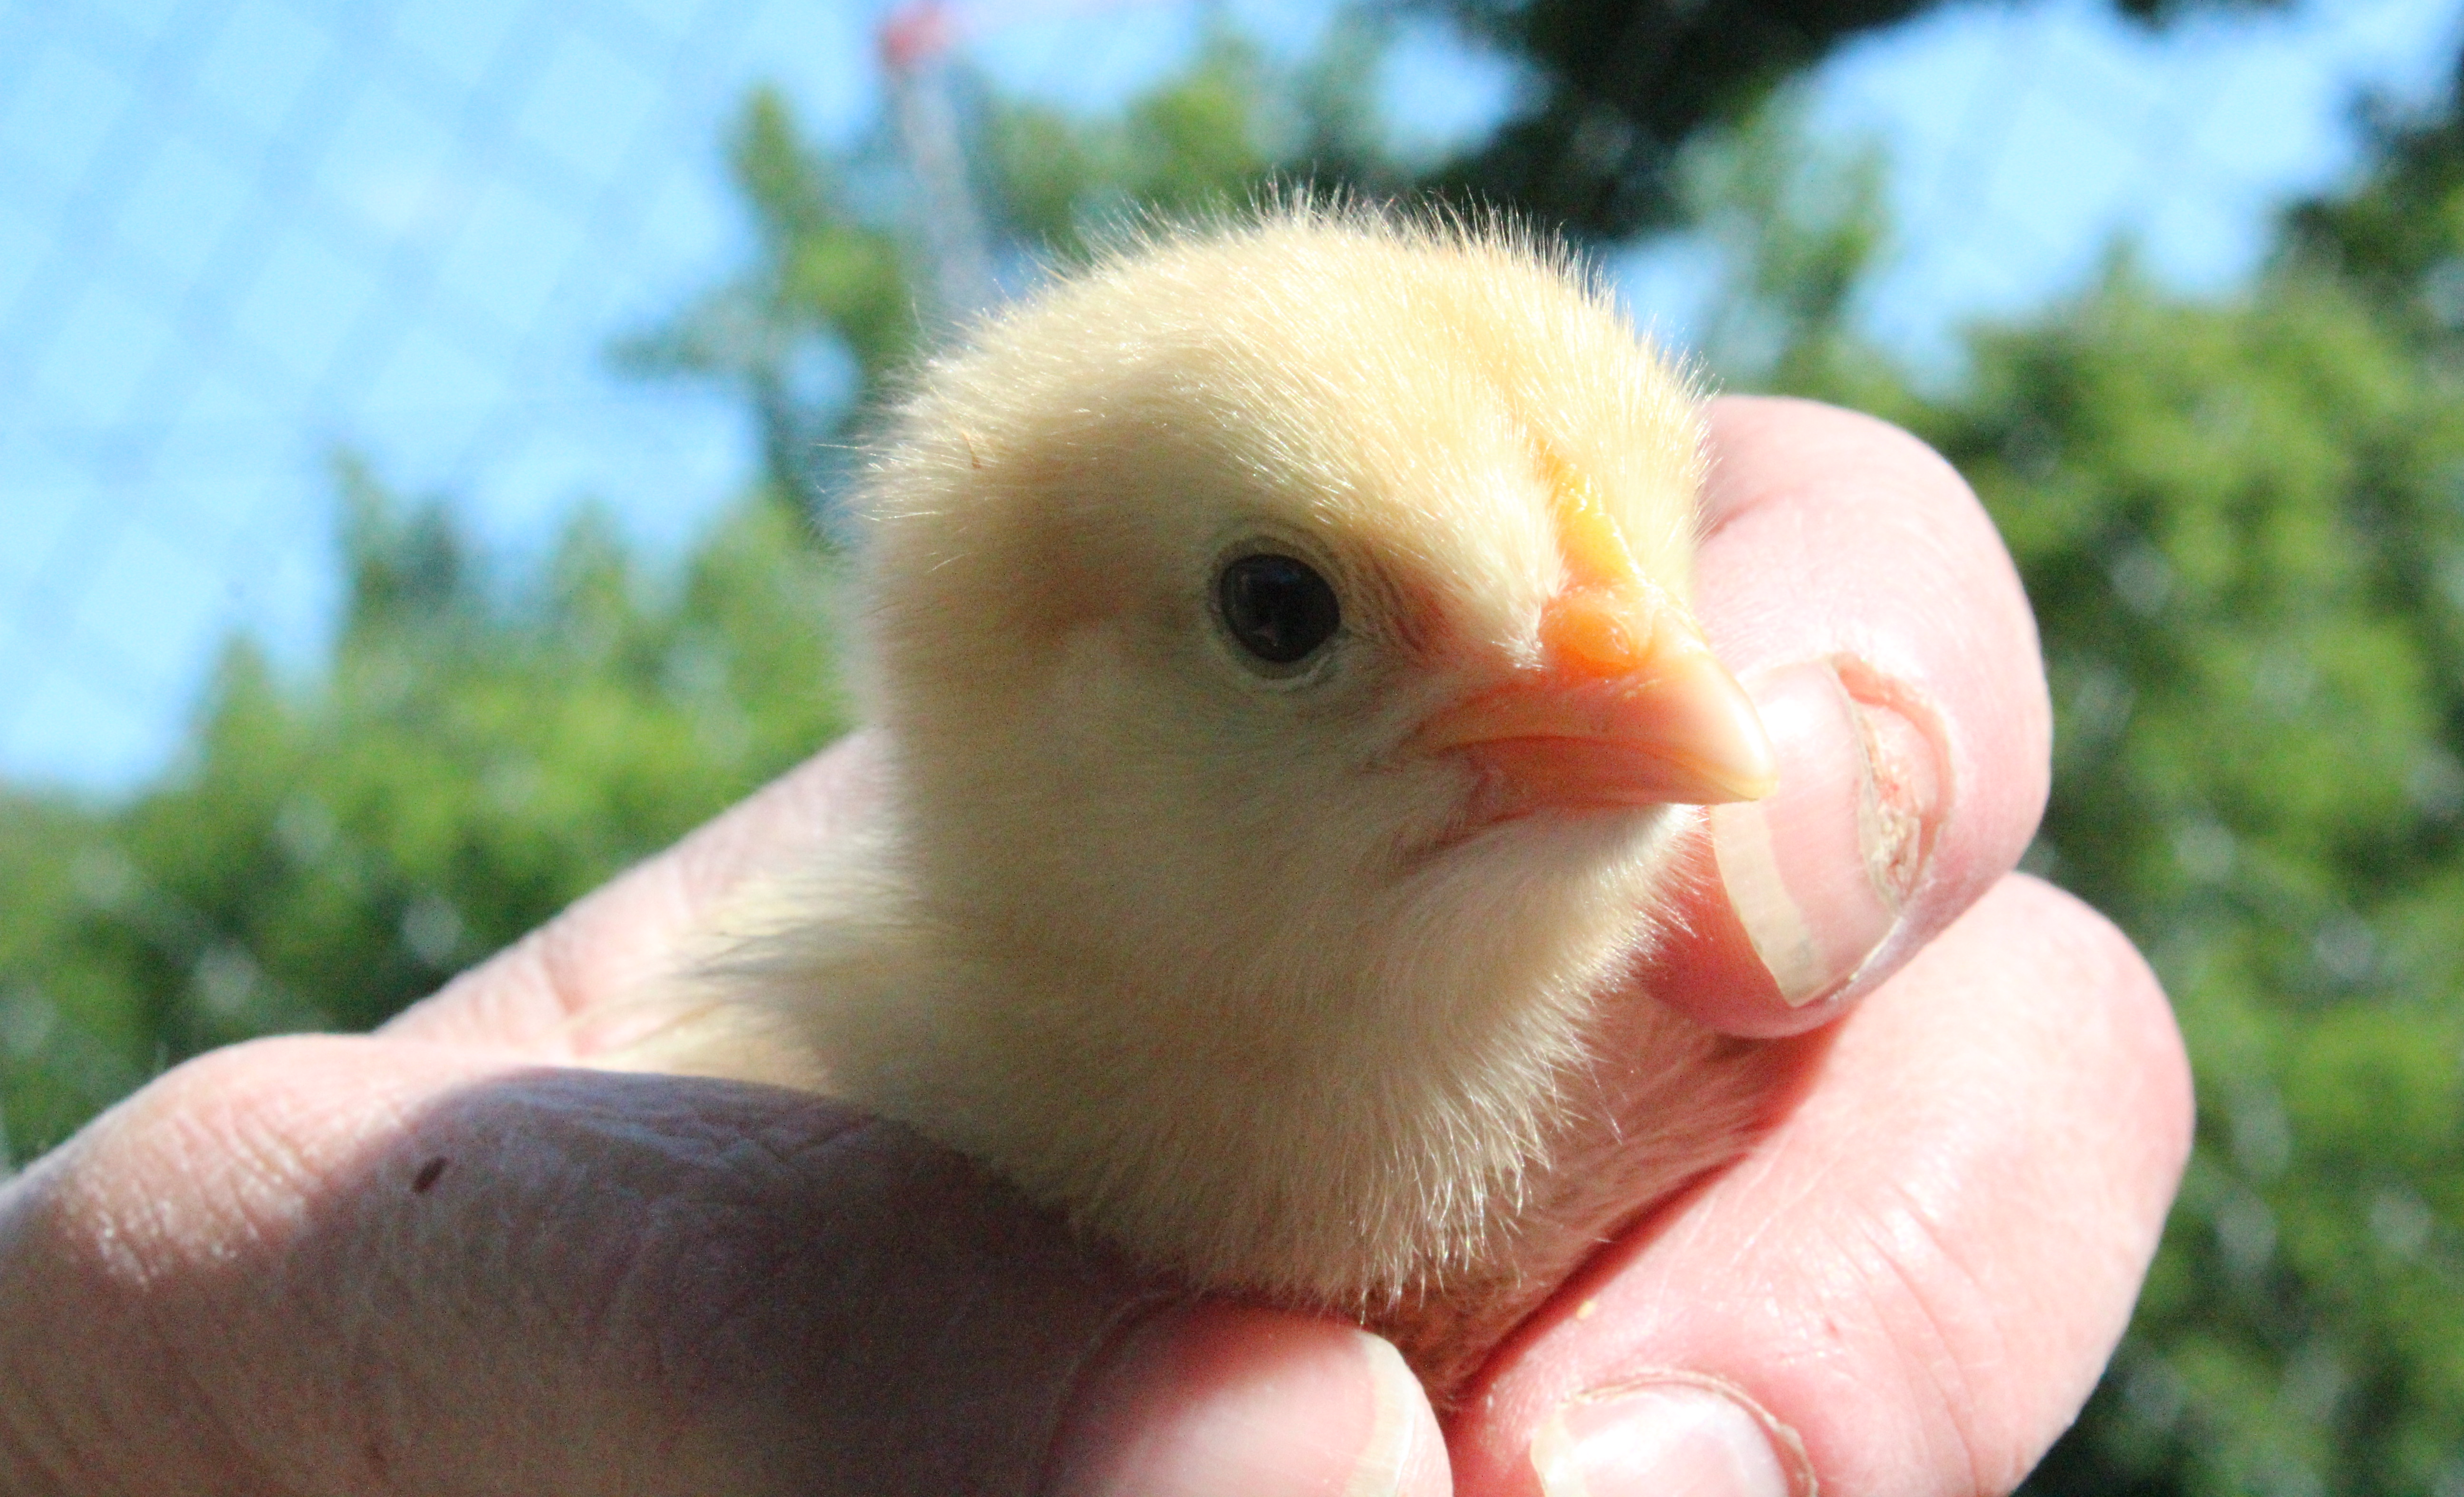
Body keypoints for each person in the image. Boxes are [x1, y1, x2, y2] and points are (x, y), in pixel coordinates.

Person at [0, 401, 2190, 1496]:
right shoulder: (787, 1136)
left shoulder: (1707, 1007)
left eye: (1669, 613)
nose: (1677, 713)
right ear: (1013, 685)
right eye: (1287, 615)